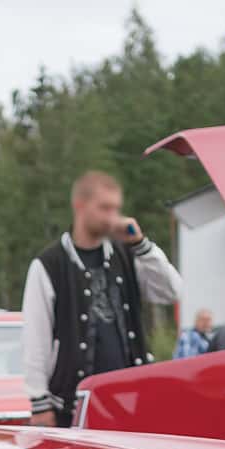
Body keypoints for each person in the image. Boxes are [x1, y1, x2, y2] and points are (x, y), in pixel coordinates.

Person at [22, 171, 182, 425]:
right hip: (73, 407)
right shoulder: (49, 265)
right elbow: (35, 339)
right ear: (80, 205)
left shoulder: (127, 255)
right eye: (105, 208)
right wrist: (39, 404)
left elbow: (171, 290)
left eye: (116, 208)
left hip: (130, 402)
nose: (112, 216)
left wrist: (141, 245)